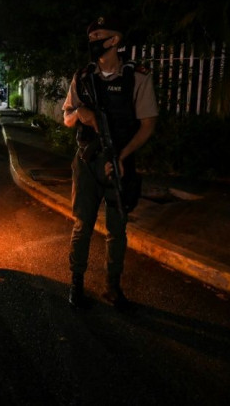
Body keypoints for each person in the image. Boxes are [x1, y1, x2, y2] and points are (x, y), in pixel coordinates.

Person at [62, 16, 158, 311]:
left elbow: (148, 125)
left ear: (115, 40)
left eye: (100, 36)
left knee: (117, 229)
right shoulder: (82, 77)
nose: (93, 42)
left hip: (120, 163)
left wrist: (120, 158)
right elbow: (66, 118)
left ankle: (112, 287)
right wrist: (81, 114)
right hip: (88, 163)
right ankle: (76, 282)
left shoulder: (137, 77)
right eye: (91, 36)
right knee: (83, 225)